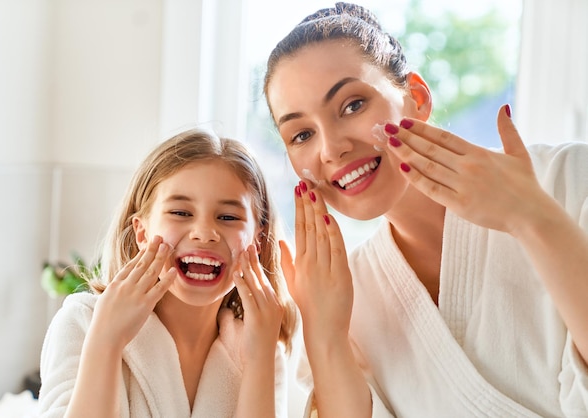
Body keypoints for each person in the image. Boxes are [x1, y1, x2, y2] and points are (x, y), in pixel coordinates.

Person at [262, 2, 588, 417]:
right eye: (302, 133)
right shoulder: (345, 297)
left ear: (416, 97)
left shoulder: (570, 180)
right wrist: (324, 335)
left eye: (352, 105)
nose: (331, 149)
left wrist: (533, 220)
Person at [37, 129, 297, 417]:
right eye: (181, 213)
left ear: (257, 242)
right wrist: (106, 341)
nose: (204, 233)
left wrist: (259, 358)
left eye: (228, 217)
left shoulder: (260, 346)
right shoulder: (83, 324)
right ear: (142, 232)